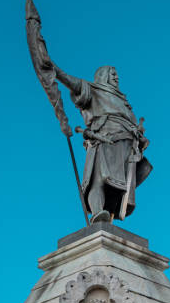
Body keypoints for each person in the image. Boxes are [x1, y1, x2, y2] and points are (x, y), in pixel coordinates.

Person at [54, 64, 152, 223]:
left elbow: (131, 125)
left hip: (127, 147)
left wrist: (140, 137)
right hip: (104, 139)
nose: (116, 77)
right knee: (98, 178)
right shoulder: (94, 90)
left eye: (117, 74)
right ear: (103, 76)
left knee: (118, 187)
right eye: (112, 74)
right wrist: (52, 68)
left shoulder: (123, 101)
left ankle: (108, 216)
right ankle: (97, 212)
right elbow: (70, 81)